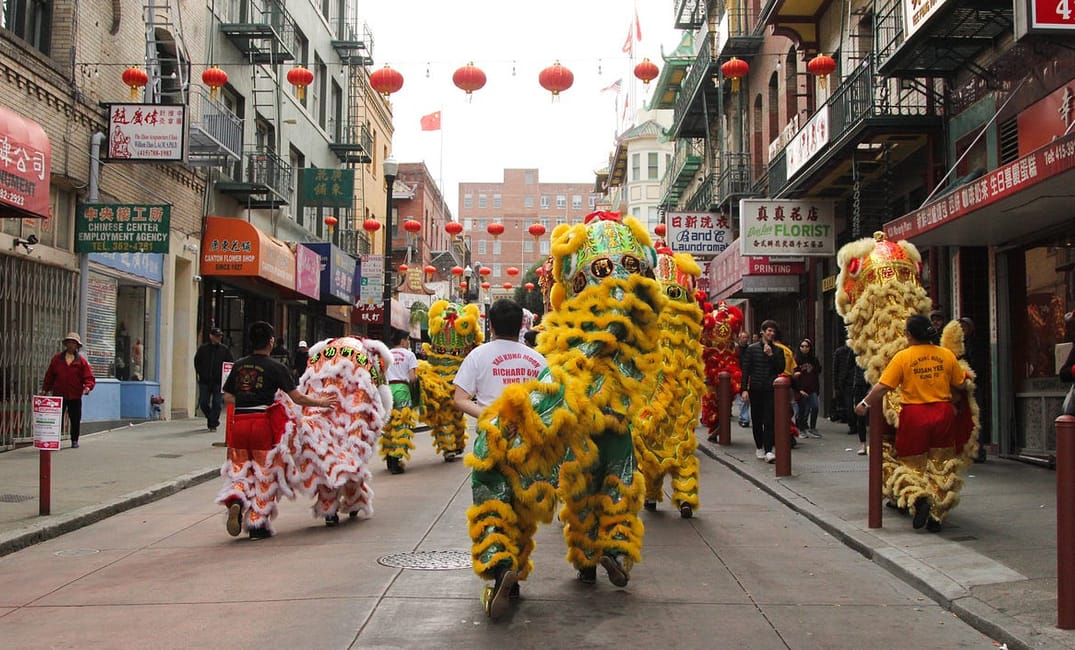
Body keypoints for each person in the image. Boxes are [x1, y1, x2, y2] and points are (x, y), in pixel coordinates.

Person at [217, 321, 338, 540]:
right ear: (271, 342)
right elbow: (297, 398)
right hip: (262, 423)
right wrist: (321, 403)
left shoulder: (239, 365)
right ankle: (257, 524)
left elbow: (226, 396)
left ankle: (236, 498)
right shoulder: (276, 367)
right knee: (265, 473)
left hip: (240, 423)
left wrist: (245, 398)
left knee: (241, 468)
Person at [855, 314, 969, 532]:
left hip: (914, 416)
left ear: (909, 335)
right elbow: (961, 383)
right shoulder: (945, 355)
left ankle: (919, 499)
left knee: (911, 466)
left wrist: (864, 404)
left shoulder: (903, 357)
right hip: (943, 413)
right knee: (941, 467)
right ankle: (937, 515)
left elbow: (882, 387)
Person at [453, 299, 547, 420]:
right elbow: (548, 400)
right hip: (528, 433)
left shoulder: (477, 355)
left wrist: (493, 418)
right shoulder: (538, 359)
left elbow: (459, 399)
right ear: (520, 326)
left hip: (490, 433)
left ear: (491, 325)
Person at [740, 320, 788, 463]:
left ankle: (768, 450)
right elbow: (746, 370)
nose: (771, 334)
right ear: (762, 332)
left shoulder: (778, 350)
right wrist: (744, 389)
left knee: (769, 420)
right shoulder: (752, 349)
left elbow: (780, 368)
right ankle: (759, 446)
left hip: (770, 389)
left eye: (773, 331)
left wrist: (771, 355)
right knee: (756, 419)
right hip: (755, 389)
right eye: (769, 331)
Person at [42, 332, 96, 449]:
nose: (71, 345)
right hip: (59, 394)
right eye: (69, 342)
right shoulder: (57, 359)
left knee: (75, 418)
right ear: (66, 344)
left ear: (77, 346)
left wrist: (88, 386)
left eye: (74, 343)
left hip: (75, 394)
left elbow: (88, 377)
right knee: (57, 419)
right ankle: (55, 440)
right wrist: (45, 389)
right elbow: (50, 375)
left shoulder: (81, 361)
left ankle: (74, 440)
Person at [382, 327, 420, 474]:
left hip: (386, 390)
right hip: (402, 390)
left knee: (389, 424)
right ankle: (396, 460)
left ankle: (388, 455)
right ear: (403, 341)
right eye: (408, 340)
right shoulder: (409, 355)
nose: (409, 343)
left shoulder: (386, 354)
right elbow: (412, 378)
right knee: (402, 424)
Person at [193, 327, 233, 432]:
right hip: (205, 381)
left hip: (218, 382)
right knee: (203, 402)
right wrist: (200, 373)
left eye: (219, 336)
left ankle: (213, 423)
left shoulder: (224, 350)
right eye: (216, 336)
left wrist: (227, 379)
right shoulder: (203, 349)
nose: (218, 338)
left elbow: (229, 364)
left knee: (217, 403)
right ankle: (211, 418)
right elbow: (197, 361)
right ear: (211, 336)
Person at [794, 338, 822, 437]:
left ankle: (812, 428)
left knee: (815, 407)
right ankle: (801, 429)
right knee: (802, 410)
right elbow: (794, 375)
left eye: (807, 346)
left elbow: (818, 371)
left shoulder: (814, 360)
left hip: (812, 388)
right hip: (801, 389)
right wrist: (798, 389)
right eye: (802, 346)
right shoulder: (796, 360)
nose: (805, 348)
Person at [735, 330, 751, 428]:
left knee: (745, 398)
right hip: (738, 376)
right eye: (743, 337)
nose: (745, 339)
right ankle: (744, 418)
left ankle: (744, 418)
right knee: (741, 398)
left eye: (746, 337)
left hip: (749, 375)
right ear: (739, 338)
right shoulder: (735, 350)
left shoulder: (750, 349)